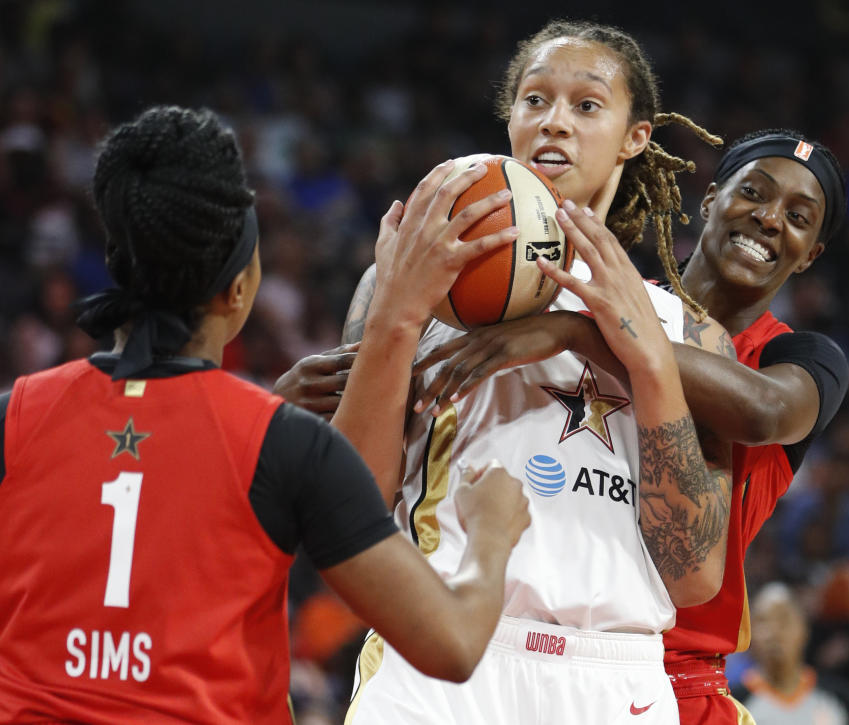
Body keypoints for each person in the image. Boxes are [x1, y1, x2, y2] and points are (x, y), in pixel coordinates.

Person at [0, 105, 532, 723]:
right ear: (240, 286)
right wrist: (489, 537)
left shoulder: (17, 417)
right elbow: (454, 644)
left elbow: (146, 471)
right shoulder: (285, 446)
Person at [279, 20, 737, 725]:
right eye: (534, 100)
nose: (555, 122)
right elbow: (350, 512)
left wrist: (644, 358)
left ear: (635, 137)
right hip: (436, 652)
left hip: (610, 676)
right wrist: (398, 318)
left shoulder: (687, 328)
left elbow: (695, 573)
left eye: (586, 105)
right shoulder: (415, 279)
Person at [411, 128, 849, 724]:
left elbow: (764, 412)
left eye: (799, 217)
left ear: (812, 254)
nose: (771, 219)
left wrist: (581, 334)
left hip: (677, 676)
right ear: (711, 197)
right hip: (525, 648)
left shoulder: (801, 356)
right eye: (754, 193)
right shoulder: (602, 293)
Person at [737, 583, 849, 725]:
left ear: (804, 629)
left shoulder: (840, 700)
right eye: (763, 621)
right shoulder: (732, 705)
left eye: (783, 620)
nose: (774, 632)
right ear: (749, 634)